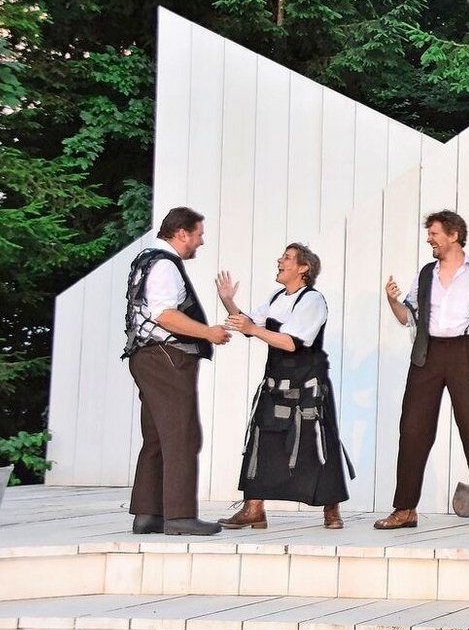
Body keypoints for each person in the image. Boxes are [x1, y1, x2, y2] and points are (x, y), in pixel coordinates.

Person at [377, 210, 469, 531]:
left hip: (465, 351)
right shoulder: (426, 273)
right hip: (428, 351)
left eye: (435, 233)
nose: (430, 239)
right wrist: (392, 300)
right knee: (413, 430)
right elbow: (405, 317)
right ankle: (405, 508)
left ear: (453, 235)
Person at [214, 244, 351, 531]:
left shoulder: (313, 301)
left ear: (304, 268)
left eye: (287, 258)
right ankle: (254, 509)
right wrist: (229, 301)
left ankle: (331, 509)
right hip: (276, 382)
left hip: (306, 386)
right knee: (261, 440)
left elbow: (291, 342)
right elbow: (249, 323)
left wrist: (253, 330)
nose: (280, 260)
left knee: (317, 444)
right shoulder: (277, 298)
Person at [121, 206, 232, 536]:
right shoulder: (165, 265)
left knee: (155, 436)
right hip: (167, 357)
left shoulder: (145, 259)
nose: (201, 241)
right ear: (181, 232)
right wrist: (208, 332)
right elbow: (164, 315)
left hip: (145, 356)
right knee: (183, 435)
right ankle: (180, 516)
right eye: (198, 234)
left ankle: (148, 514)